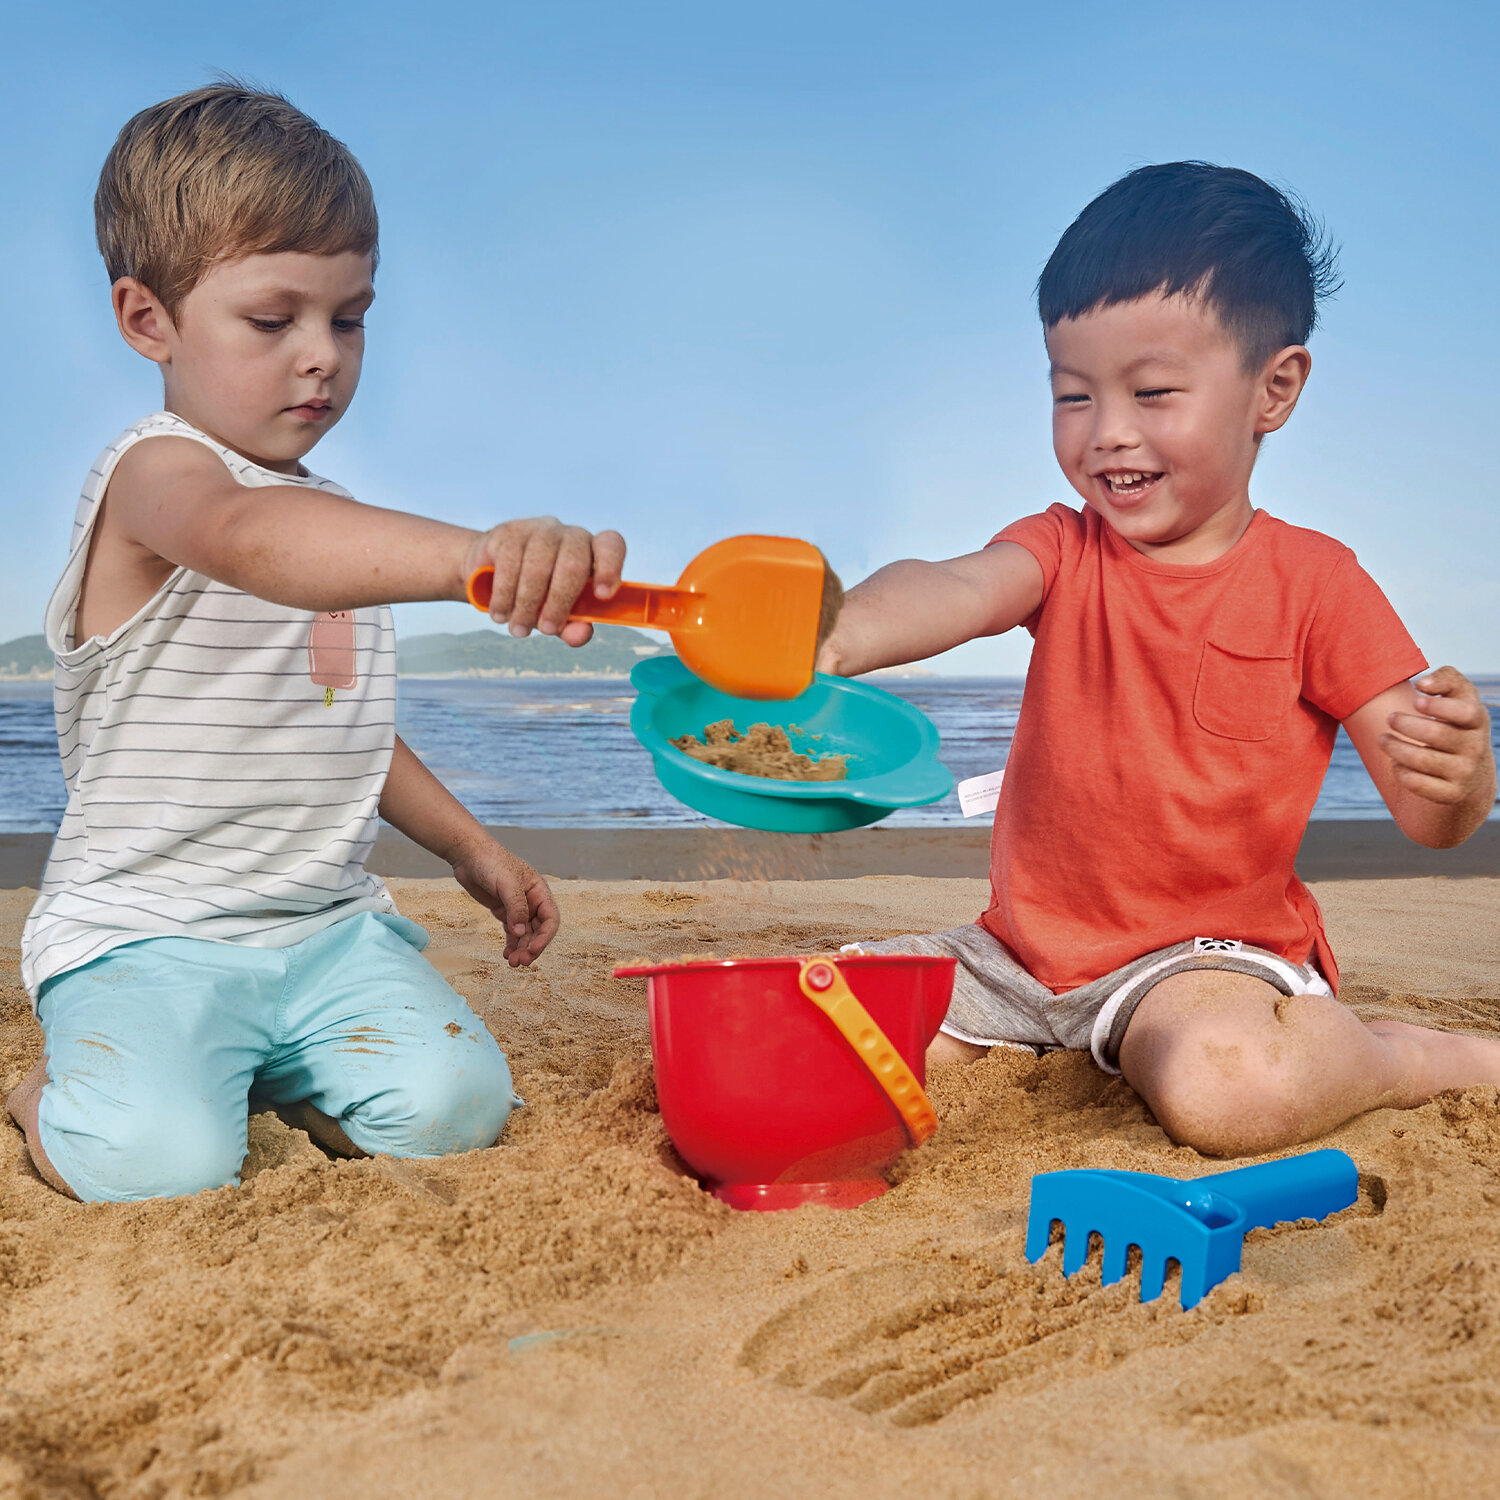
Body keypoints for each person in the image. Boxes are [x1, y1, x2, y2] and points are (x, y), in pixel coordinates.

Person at [7, 83, 626, 1202]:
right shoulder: (156, 476)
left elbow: (343, 728)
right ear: (148, 321)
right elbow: (249, 540)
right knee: (157, 1163)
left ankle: (277, 1074)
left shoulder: (335, 531)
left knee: (455, 1109)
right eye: (273, 320)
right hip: (146, 937)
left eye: (349, 318)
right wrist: (475, 557)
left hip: (324, 933)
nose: (322, 356)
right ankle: (42, 1097)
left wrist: (472, 849)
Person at [821, 162, 1498, 1158]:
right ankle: (1067, 1039)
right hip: (1015, 962)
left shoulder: (1316, 583)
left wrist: (1462, 780)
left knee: (1230, 1091)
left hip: (1199, 965)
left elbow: (1431, 823)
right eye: (1074, 395)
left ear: (1274, 389)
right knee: (812, 1031)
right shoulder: (1063, 546)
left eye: (1152, 392)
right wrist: (833, 633)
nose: (1109, 433)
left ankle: (1403, 1058)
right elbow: (956, 587)